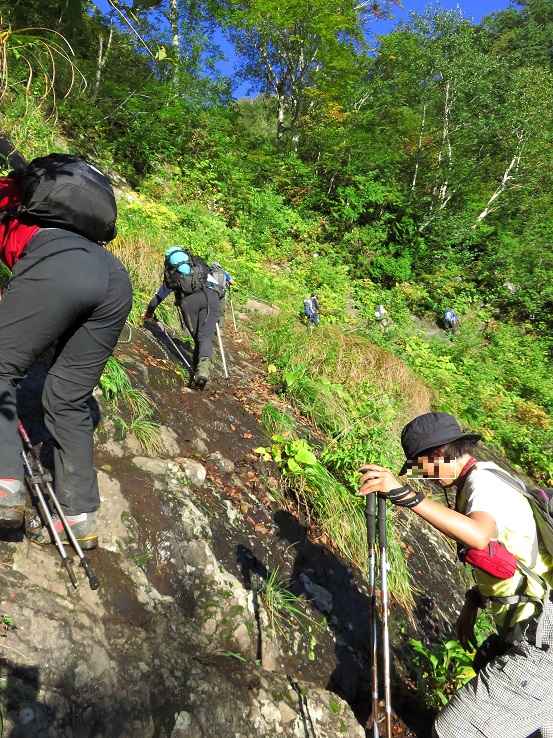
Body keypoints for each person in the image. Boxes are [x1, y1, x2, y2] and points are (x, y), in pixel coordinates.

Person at [358, 411, 553, 737]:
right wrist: (473, 602)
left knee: (454, 730)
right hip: (535, 630)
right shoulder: (487, 478)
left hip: (543, 643)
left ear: (436, 455)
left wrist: (407, 496)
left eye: (420, 467)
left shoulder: (483, 482)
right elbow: (509, 554)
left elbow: (478, 536)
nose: (422, 477)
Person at [0, 176, 133, 549]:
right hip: (113, 276)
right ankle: (76, 517)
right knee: (67, 396)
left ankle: (3, 484)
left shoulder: (9, 197)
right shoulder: (41, 200)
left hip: (59, 264)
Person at [144, 257, 232, 388]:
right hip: (211, 298)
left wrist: (149, 314)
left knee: (198, 338)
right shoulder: (201, 270)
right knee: (205, 337)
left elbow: (155, 301)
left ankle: (198, 375)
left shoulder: (174, 277)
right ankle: (202, 372)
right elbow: (220, 288)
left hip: (189, 303)